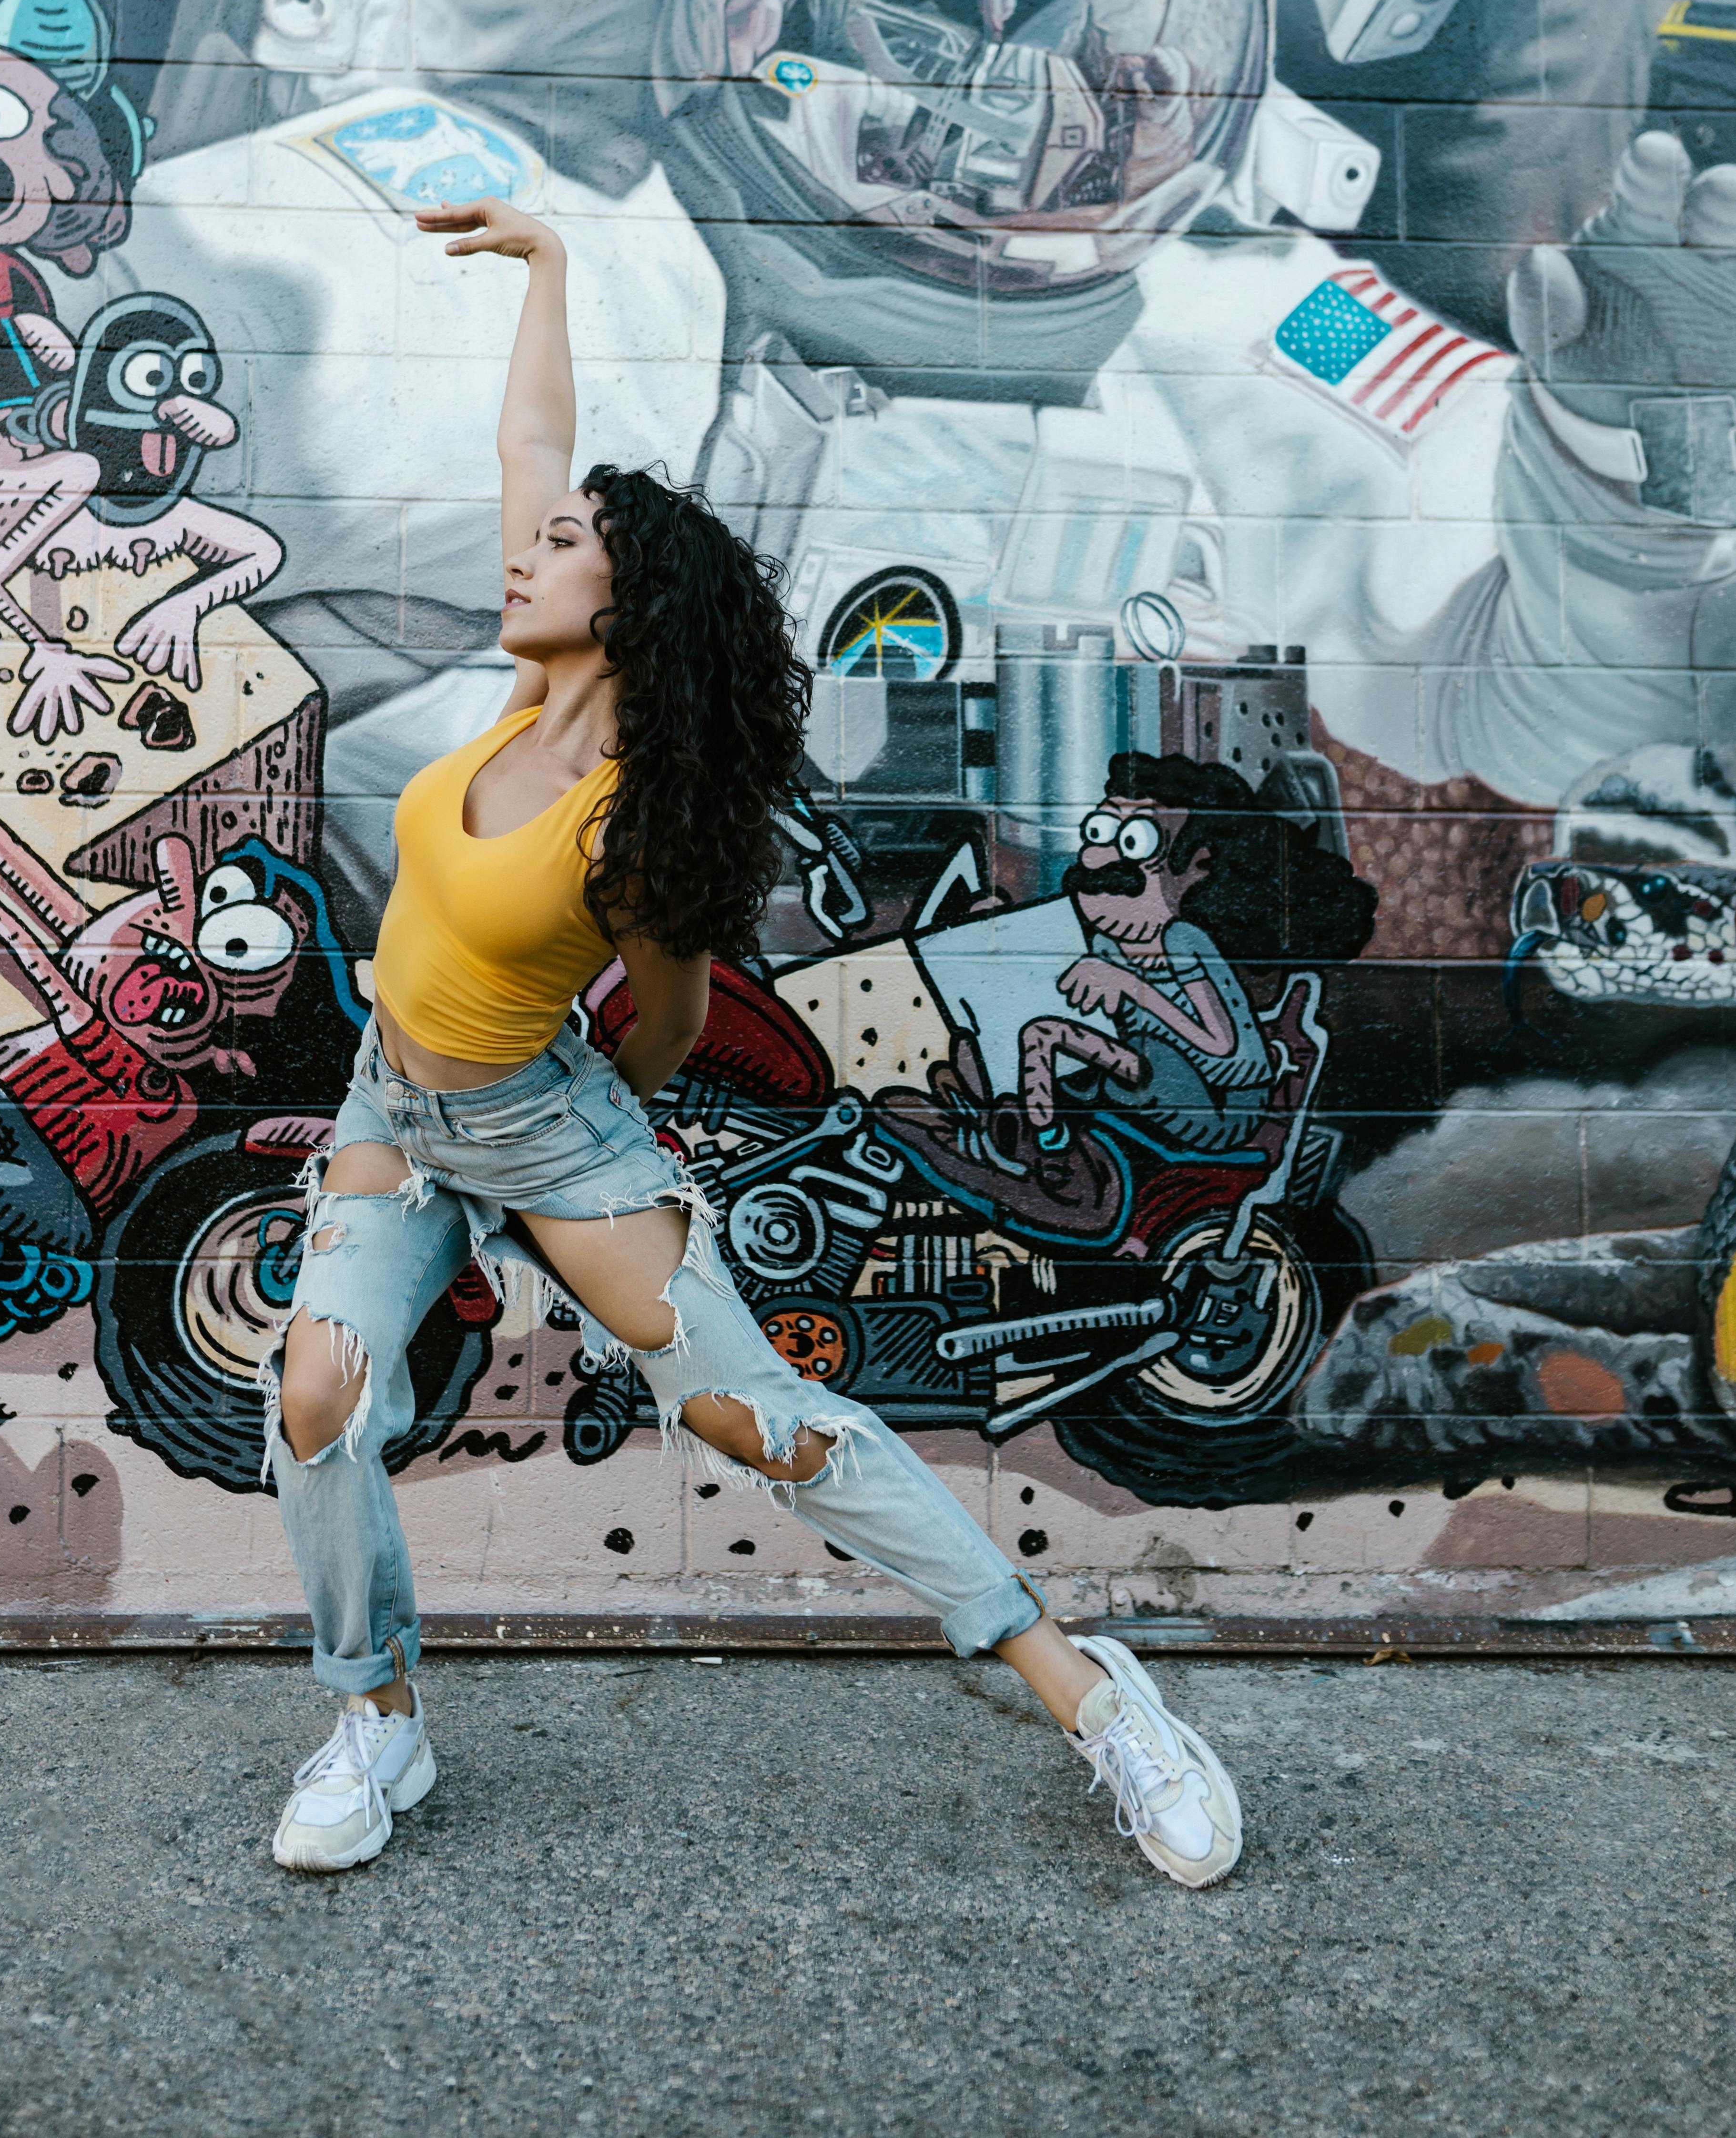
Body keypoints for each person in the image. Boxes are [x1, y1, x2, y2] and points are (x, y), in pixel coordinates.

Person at [260, 193, 1242, 1890]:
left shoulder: (633, 820)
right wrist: (553, 268)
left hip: (550, 1134)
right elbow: (534, 433)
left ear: (629, 611)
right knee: (318, 1396)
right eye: (545, 532)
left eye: (562, 546)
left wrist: (579, 1149)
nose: (527, 550)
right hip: (390, 1110)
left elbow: (676, 1019)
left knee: (761, 1427)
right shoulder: (511, 697)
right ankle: (379, 1716)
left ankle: (1089, 1693)